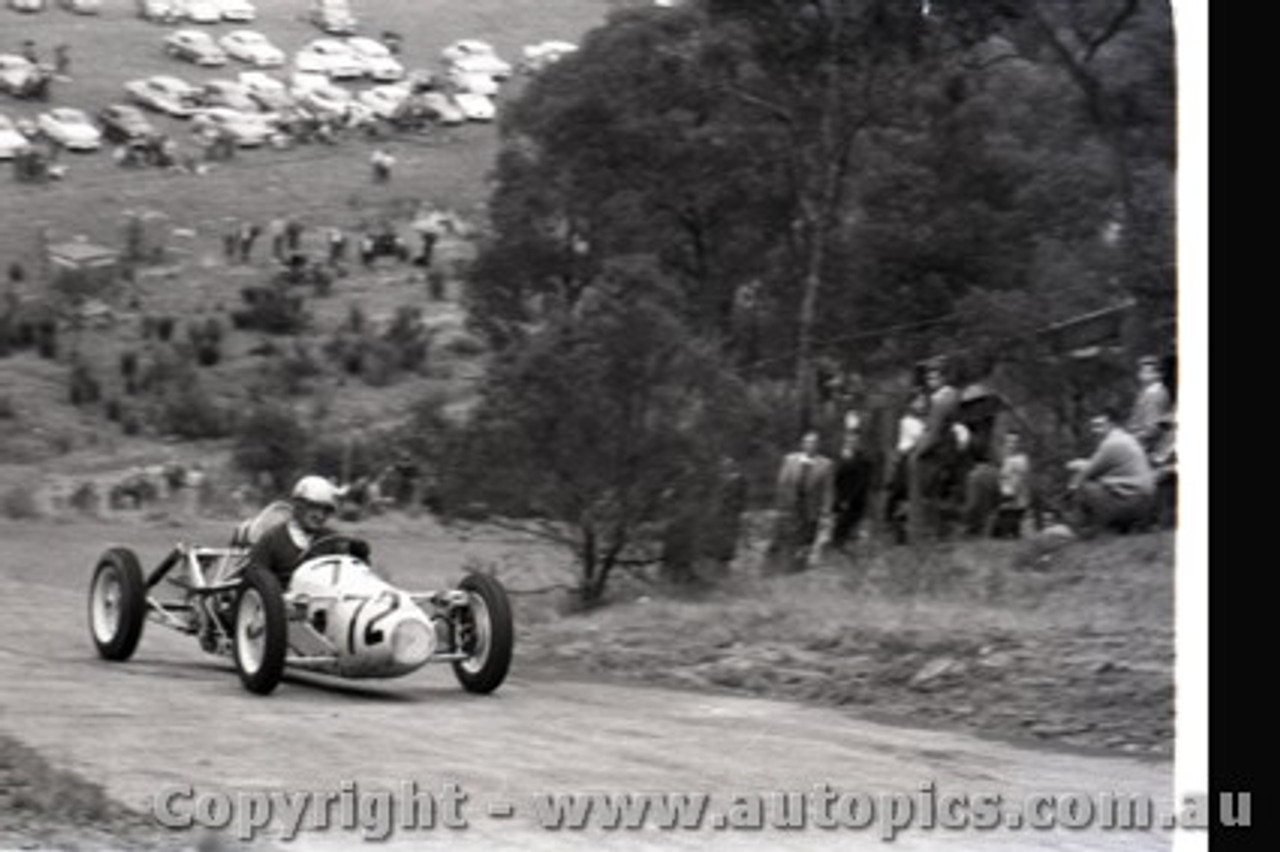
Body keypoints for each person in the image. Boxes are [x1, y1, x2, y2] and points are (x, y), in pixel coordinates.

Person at [240, 475, 365, 590]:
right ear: (299, 505)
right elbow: (253, 580)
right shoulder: (272, 538)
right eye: (314, 507)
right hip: (282, 606)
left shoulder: (333, 538)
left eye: (326, 510)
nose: (320, 515)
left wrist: (358, 556)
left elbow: (350, 576)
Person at [1066, 410, 1156, 537]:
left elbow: (1088, 472)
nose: (1095, 430)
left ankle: (1086, 531)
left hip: (1133, 501)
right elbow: (1100, 466)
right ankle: (1118, 528)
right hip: (1143, 500)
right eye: (1093, 426)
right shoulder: (1125, 438)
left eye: (1100, 425)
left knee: (1084, 486)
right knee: (1096, 483)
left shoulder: (1111, 443)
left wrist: (1071, 486)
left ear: (1112, 424)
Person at [767, 430, 834, 573]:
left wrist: (826, 510)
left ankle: (799, 569)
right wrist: (781, 505)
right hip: (791, 507)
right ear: (802, 444)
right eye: (808, 442)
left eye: (814, 443)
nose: (810, 445)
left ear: (818, 445)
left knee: (806, 541)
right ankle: (781, 568)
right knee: (787, 538)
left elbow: (828, 490)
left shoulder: (826, 464)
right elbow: (782, 484)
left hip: (811, 509)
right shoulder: (790, 460)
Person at [909, 358, 961, 541]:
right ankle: (939, 532)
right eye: (929, 378)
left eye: (935, 377)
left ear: (943, 377)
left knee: (929, 495)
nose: (931, 381)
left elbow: (934, 433)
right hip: (947, 450)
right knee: (939, 494)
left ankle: (930, 534)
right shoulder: (951, 396)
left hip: (937, 454)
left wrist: (917, 453)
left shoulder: (941, 400)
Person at [830, 416, 874, 551]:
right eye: (848, 441)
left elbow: (862, 482)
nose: (850, 443)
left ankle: (846, 549)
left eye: (854, 441)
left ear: (859, 442)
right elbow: (837, 479)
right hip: (841, 499)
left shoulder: (864, 460)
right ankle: (838, 549)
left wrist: (849, 500)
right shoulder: (843, 458)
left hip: (855, 501)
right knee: (838, 530)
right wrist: (839, 500)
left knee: (848, 529)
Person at [1127, 355, 1171, 455]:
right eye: (1141, 371)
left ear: (1159, 375)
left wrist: (1130, 440)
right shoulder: (1147, 392)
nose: (1140, 374)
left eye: (1146, 372)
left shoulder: (1155, 395)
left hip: (1146, 449)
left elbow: (1153, 429)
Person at [991, 430, 1032, 538]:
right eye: (1009, 442)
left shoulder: (1021, 460)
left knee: (1007, 533)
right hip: (1004, 503)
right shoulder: (1005, 459)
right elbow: (1001, 478)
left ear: (1019, 444)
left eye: (1015, 442)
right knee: (996, 534)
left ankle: (1013, 529)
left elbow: (1019, 481)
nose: (1011, 445)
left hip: (1014, 503)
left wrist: (1008, 494)